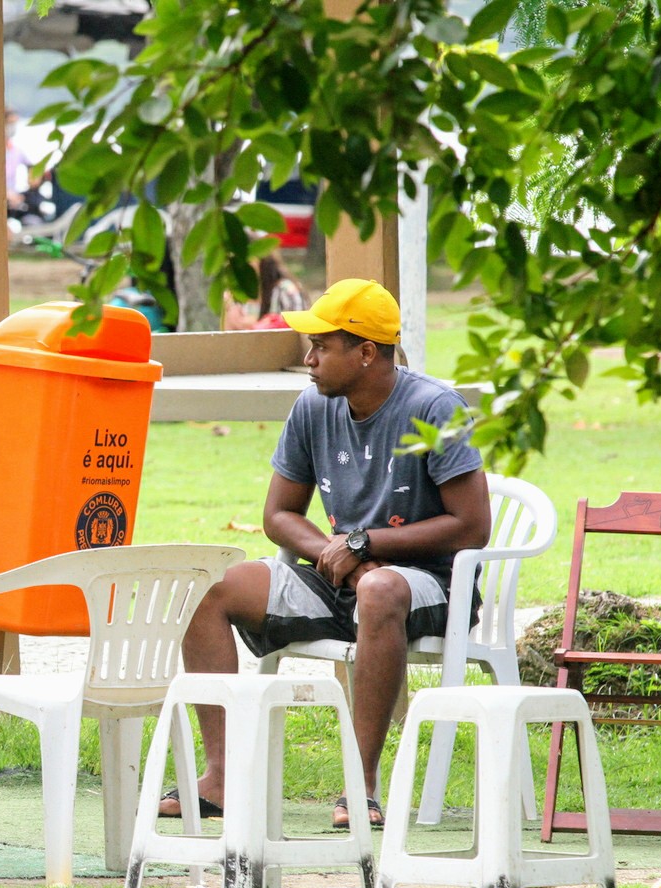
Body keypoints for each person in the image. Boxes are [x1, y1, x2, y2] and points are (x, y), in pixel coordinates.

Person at [158, 279, 491, 829]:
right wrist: (340, 554)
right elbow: (278, 515)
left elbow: (472, 526)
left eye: (321, 347)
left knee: (381, 588)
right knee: (211, 587)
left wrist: (368, 545)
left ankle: (360, 786)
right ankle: (220, 775)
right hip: (342, 578)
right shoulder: (312, 407)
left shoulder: (436, 408)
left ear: (365, 353)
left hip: (430, 585)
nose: (308, 360)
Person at [222, 253, 307, 330]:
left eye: (246, 260)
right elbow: (227, 340)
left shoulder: (286, 291)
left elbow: (301, 331)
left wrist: (256, 327)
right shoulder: (233, 296)